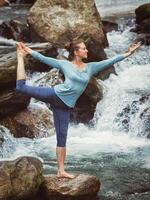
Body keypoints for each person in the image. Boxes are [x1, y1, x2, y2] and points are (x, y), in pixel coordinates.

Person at [16, 39, 141, 178]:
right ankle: (19, 57)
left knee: (62, 138)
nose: (87, 50)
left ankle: (61, 171)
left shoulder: (90, 67)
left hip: (65, 106)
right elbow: (43, 58)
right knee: (21, 88)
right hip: (55, 95)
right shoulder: (64, 64)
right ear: (76, 52)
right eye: (83, 48)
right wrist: (25, 50)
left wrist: (128, 53)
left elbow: (110, 61)